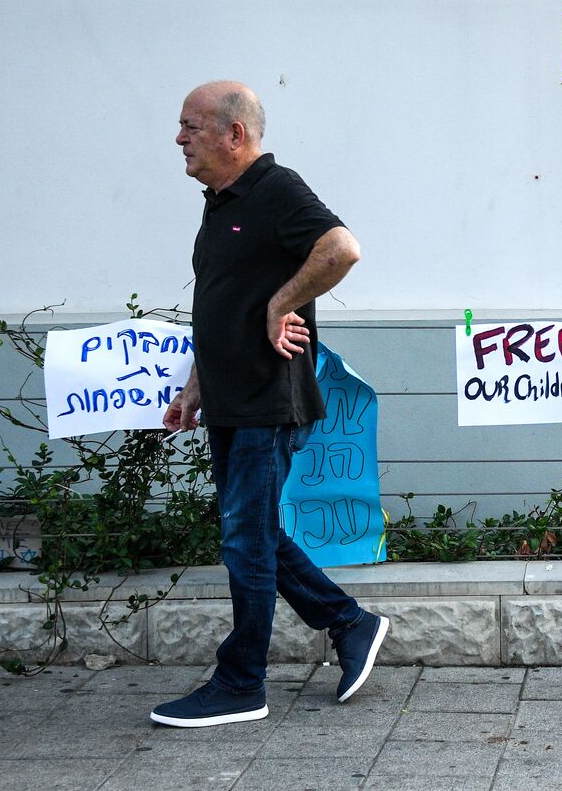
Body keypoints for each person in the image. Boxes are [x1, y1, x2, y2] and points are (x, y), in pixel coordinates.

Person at [150, 81, 388, 728]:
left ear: (236, 134)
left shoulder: (276, 189)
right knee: (251, 533)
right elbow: (221, 304)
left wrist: (283, 305)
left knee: (245, 539)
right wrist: (195, 387)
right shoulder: (218, 204)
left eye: (191, 126)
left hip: (267, 398)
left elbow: (342, 248)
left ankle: (241, 683)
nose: (179, 138)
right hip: (229, 399)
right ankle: (350, 622)